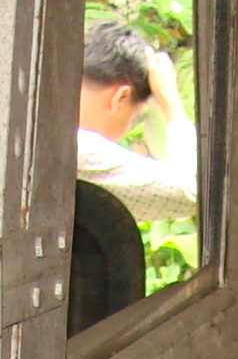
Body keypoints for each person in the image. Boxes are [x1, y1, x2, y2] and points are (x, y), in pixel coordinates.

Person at [77, 19, 198, 221]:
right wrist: (170, 102)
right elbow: (190, 192)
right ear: (121, 98)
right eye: (134, 117)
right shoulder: (80, 148)